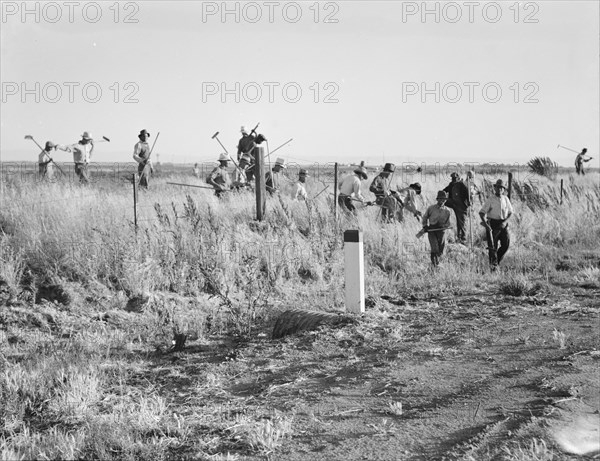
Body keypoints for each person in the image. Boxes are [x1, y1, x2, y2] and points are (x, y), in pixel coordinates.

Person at [479, 179, 514, 269]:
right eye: (498, 187)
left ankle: (496, 262)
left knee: (506, 245)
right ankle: (493, 266)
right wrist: (487, 226)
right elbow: (482, 213)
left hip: (503, 224)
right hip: (493, 224)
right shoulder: (491, 199)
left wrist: (505, 222)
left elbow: (510, 212)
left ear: (503, 189)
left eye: (501, 188)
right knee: (492, 247)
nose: (499, 189)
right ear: (495, 188)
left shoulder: (505, 199)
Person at [421, 191, 452, 266]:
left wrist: (447, 226)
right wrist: (425, 226)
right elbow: (425, 217)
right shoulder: (431, 208)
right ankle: (434, 264)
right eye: (441, 199)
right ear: (437, 199)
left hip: (441, 231)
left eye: (444, 199)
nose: (442, 201)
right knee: (434, 248)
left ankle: (438, 264)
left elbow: (448, 222)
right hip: (432, 230)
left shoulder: (447, 211)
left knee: (441, 249)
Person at [443, 172, 471, 244]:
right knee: (459, 222)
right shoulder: (451, 184)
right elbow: (445, 190)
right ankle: (459, 237)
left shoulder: (462, 184)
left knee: (462, 222)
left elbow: (468, 193)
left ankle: (463, 238)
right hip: (455, 205)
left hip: (462, 206)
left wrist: (468, 201)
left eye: (454, 178)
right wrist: (442, 194)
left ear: (458, 178)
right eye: (452, 178)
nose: (453, 179)